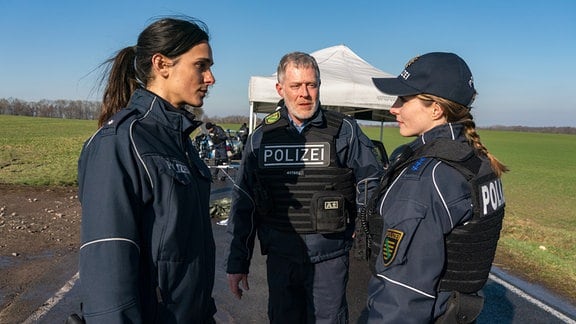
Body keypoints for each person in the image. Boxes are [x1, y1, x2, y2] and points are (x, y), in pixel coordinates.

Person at [76, 17, 217, 323]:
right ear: (162, 64)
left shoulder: (179, 141)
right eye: (201, 65)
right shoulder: (119, 143)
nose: (210, 78)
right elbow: (107, 267)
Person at [225, 52, 383, 323]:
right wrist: (238, 263)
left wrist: (362, 228)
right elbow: (244, 203)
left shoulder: (343, 131)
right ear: (280, 88)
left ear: (319, 86)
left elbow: (371, 180)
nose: (304, 94)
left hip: (329, 257)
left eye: (311, 85)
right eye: (296, 86)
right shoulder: (262, 137)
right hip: (280, 255)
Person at [365, 52, 508, 323]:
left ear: (436, 109)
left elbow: (403, 295)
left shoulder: (426, 178)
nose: (393, 108)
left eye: (404, 99)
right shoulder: (476, 161)